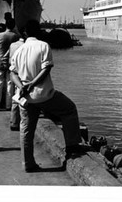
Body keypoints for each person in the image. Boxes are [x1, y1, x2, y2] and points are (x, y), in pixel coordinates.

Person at [9, 19, 87, 172]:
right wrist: (32, 84)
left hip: (24, 97)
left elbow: (12, 73)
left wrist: (22, 86)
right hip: (43, 94)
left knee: (26, 129)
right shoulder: (43, 46)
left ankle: (28, 163)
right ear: (38, 31)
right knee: (69, 109)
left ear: (24, 33)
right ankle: (72, 146)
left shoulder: (19, 50)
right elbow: (46, 70)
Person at [0, 18, 19, 110]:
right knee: (10, 84)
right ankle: (8, 105)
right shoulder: (16, 36)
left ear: (6, 25)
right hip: (10, 63)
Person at [8, 34, 25, 131]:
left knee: (14, 97)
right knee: (20, 96)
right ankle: (19, 121)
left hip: (13, 70)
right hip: (22, 73)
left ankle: (14, 122)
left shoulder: (13, 45)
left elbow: (9, 57)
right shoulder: (25, 46)